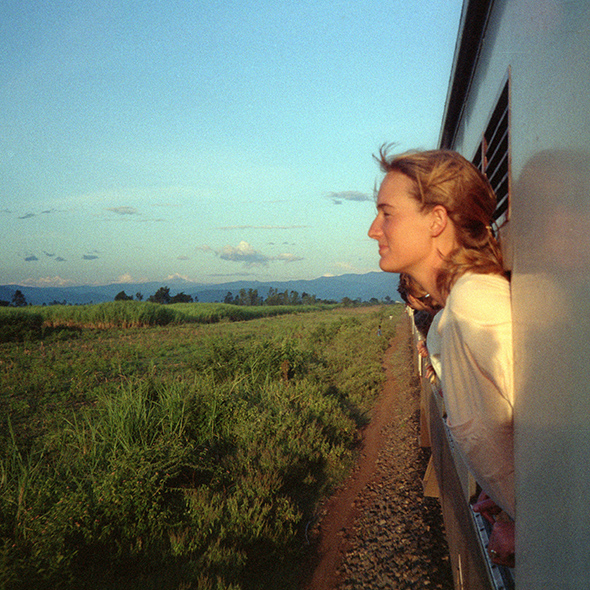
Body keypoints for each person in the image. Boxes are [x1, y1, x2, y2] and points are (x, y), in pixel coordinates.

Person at [368, 146, 514, 564]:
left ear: (436, 219)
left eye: (387, 213)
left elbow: (571, 444)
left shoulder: (476, 305)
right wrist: (504, 488)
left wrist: (539, 524)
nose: (374, 230)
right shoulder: (456, 311)